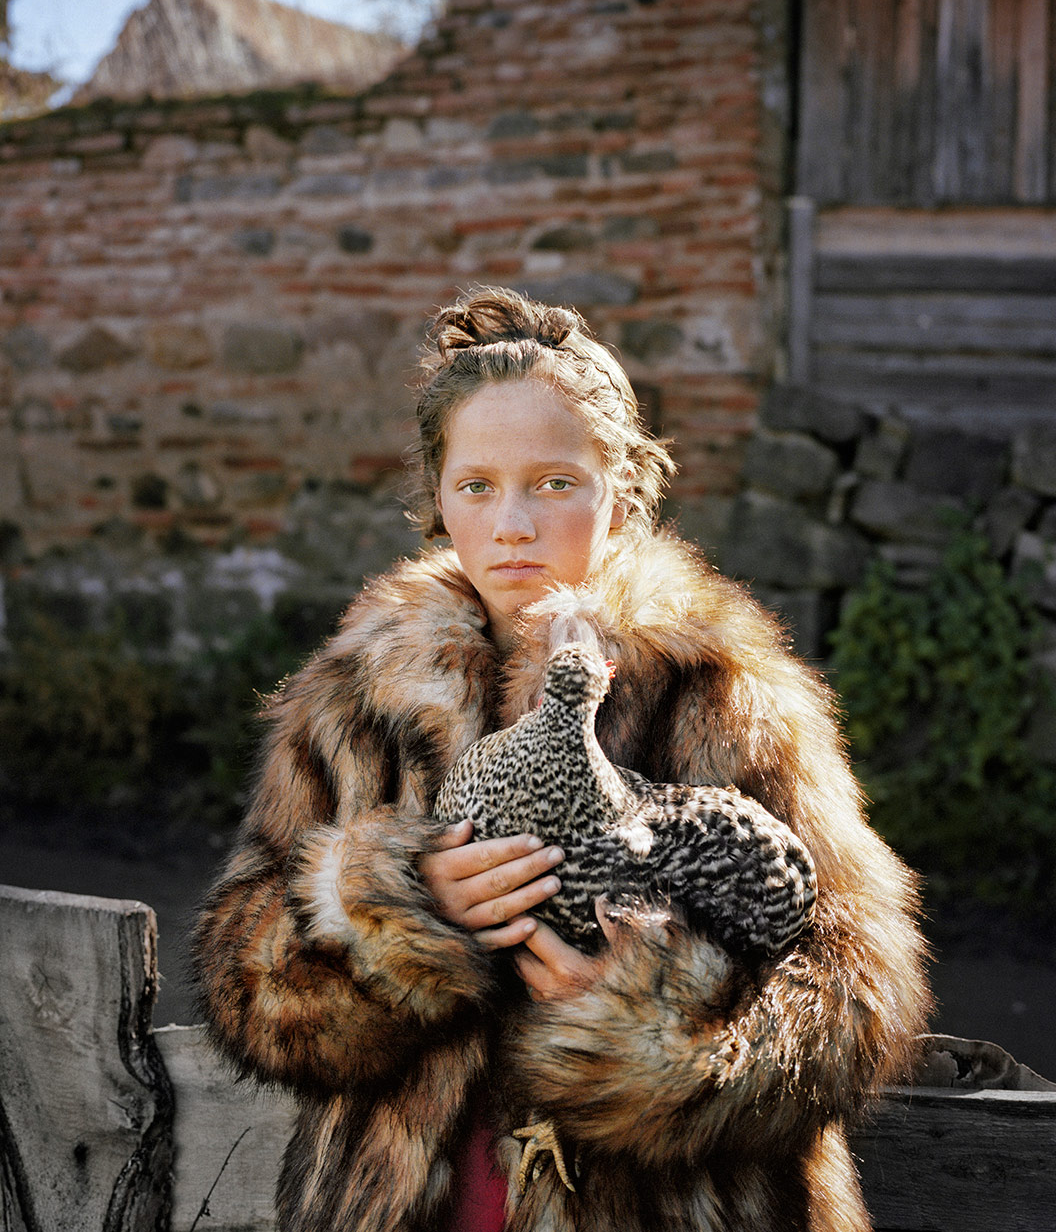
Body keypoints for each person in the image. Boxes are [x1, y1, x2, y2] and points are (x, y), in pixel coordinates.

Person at [193, 287, 930, 1232]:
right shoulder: (350, 703)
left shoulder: (727, 690)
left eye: (551, 483)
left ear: (617, 494)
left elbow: (862, 986)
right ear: (436, 500)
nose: (511, 523)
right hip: (413, 1203)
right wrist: (390, 912)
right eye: (476, 486)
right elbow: (240, 972)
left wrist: (647, 1032)